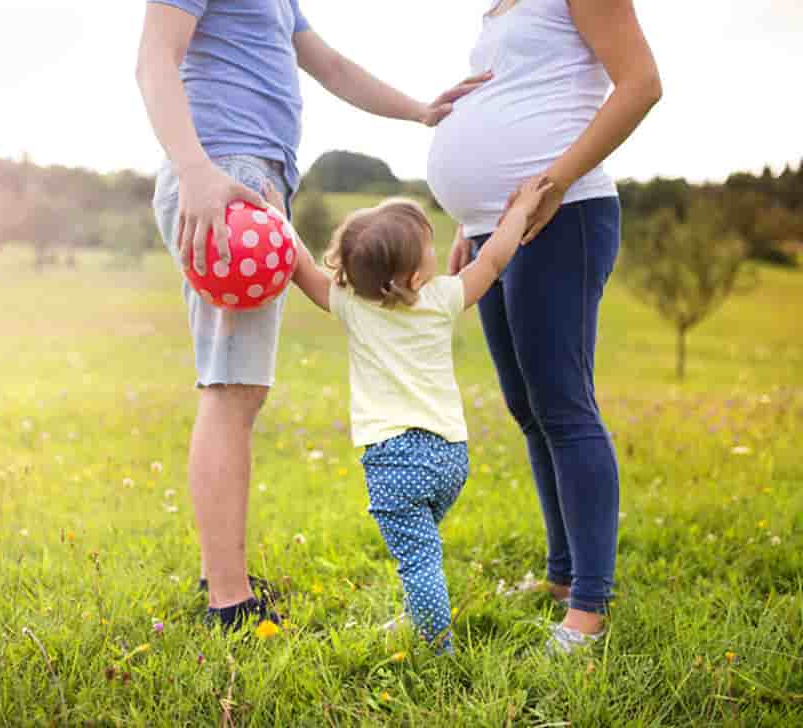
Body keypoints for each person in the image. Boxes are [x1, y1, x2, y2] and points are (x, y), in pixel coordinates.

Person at [136, 1, 490, 629]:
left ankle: (224, 576)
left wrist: (419, 110)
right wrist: (196, 172)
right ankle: (228, 600)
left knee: (238, 387)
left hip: (249, 179)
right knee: (231, 387)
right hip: (224, 178)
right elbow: (154, 58)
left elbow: (328, 64)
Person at [426, 0, 662, 653]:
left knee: (564, 406)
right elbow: (512, 106)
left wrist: (556, 180)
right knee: (528, 408)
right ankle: (562, 579)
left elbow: (642, 84)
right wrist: (467, 221)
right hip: (494, 232)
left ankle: (589, 606)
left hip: (566, 216)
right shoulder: (497, 9)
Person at [281, 178, 552, 652]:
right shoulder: (442, 299)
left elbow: (301, 268)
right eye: (429, 247)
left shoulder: (352, 305)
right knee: (422, 548)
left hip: (395, 460)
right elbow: (492, 260)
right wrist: (521, 211)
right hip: (450, 457)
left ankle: (437, 648)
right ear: (411, 278)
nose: (436, 250)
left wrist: (275, 215)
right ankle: (421, 610)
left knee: (419, 557)